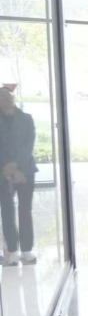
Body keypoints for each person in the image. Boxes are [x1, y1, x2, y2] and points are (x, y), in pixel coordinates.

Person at [0, 87, 38, 266]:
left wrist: (16, 166)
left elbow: (28, 145)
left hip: (25, 171)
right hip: (2, 172)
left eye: (9, 96)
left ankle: (26, 250)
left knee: (25, 210)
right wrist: (7, 168)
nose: (6, 99)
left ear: (13, 98)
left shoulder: (26, 119)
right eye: (2, 97)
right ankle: (12, 251)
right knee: (7, 211)